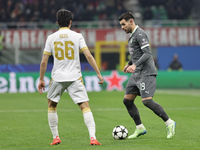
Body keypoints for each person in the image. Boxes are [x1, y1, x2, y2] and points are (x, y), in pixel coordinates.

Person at [38, 9, 104, 146]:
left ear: (57, 23)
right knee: (84, 106)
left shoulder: (51, 38)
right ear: (70, 22)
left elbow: (44, 61)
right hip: (75, 77)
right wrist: (98, 72)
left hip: (57, 77)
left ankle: (56, 137)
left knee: (51, 105)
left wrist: (41, 79)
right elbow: (88, 56)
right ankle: (93, 137)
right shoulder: (77, 36)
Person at [118, 12, 176, 139]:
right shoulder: (132, 36)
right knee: (127, 101)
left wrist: (135, 65)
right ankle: (140, 128)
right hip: (137, 73)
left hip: (146, 73)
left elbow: (147, 53)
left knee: (147, 101)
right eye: (121, 25)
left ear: (131, 22)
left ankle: (169, 122)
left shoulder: (140, 34)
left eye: (123, 24)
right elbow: (136, 54)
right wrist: (129, 64)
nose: (122, 27)